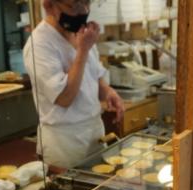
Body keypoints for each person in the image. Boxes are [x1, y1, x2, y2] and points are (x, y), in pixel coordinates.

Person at [23, 0, 125, 169]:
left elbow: (95, 78)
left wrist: (108, 92)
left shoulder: (81, 34)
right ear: (49, 6)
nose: (83, 11)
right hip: (64, 143)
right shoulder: (39, 44)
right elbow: (64, 98)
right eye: (75, 6)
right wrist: (83, 50)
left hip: (94, 134)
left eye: (87, 3)